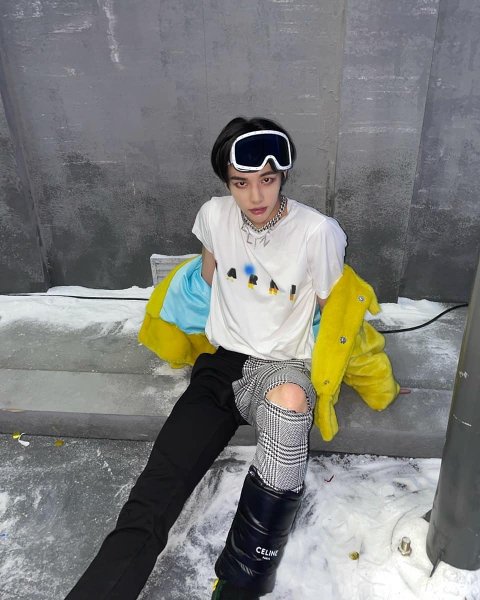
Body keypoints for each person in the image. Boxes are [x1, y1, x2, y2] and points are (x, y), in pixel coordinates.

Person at [65, 116, 350, 600]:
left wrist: (357, 368)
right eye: (241, 183)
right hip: (222, 366)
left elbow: (336, 317)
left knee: (288, 406)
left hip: (282, 367)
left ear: (282, 175)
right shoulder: (214, 216)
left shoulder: (317, 232)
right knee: (154, 493)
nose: (256, 196)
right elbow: (205, 280)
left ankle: (240, 587)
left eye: (268, 180)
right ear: (226, 182)